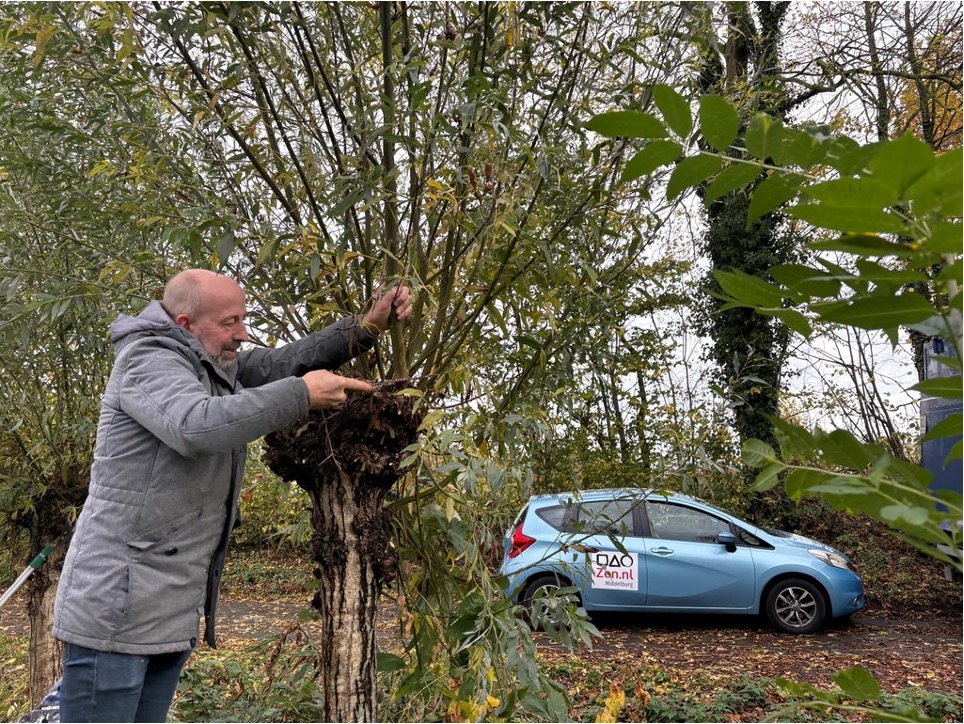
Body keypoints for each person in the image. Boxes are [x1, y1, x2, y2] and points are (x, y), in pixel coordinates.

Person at [52, 269, 412, 723]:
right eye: (229, 322)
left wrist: (367, 327)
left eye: (243, 319)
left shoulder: (213, 364)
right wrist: (301, 395)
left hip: (167, 617)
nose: (242, 334)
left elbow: (286, 360)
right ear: (185, 323)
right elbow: (195, 425)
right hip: (114, 615)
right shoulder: (146, 360)